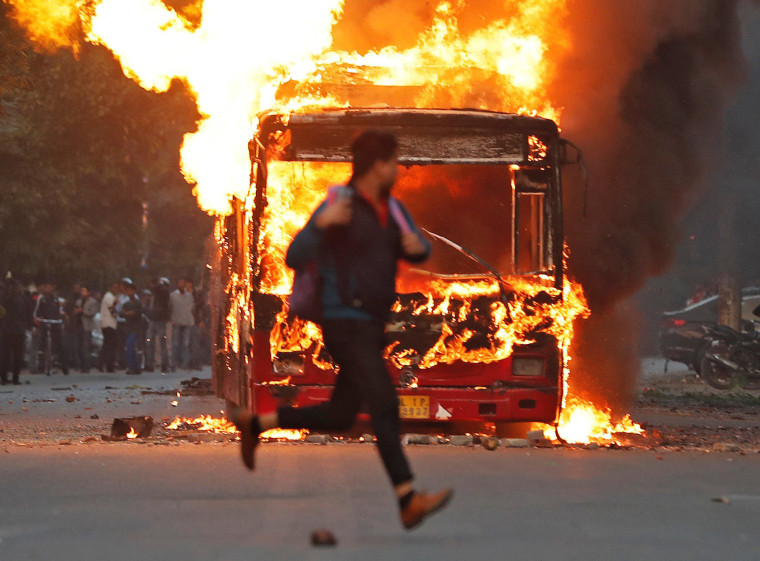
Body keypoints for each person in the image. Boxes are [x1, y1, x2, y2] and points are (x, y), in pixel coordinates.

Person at [231, 129, 452, 530]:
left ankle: (257, 423)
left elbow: (420, 247)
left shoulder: (393, 210)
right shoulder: (339, 203)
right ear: (378, 166)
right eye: (393, 164)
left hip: (372, 325)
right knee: (385, 403)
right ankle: (408, 498)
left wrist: (416, 248)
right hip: (343, 323)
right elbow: (294, 254)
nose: (398, 172)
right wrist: (321, 227)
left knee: (340, 414)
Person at [33, 282, 68, 375]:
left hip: (55, 324)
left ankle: (63, 364)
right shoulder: (42, 299)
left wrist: (60, 319)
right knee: (42, 343)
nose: (49, 289)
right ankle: (41, 365)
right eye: (47, 287)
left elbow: (59, 312)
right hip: (45, 324)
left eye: (50, 287)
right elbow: (37, 312)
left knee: (60, 344)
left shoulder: (56, 300)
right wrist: (40, 320)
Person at [1, 279, 28, 385]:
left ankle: (8, 378)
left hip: (12, 330)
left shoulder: (6, 300)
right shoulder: (15, 300)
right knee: (11, 355)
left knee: (8, 355)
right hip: (12, 330)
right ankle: (12, 378)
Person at [145, 277, 170, 373]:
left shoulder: (164, 294)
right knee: (149, 341)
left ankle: (164, 364)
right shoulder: (153, 296)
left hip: (160, 320)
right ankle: (150, 364)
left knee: (162, 342)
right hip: (153, 320)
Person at [169, 278, 195, 370]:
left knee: (185, 344)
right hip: (176, 321)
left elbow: (192, 308)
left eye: (183, 283)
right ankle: (174, 363)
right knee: (175, 343)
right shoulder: (173, 295)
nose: (182, 285)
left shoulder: (189, 296)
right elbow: (170, 307)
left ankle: (185, 364)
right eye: (180, 283)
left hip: (187, 322)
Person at [120, 283, 143, 374]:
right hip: (128, 328)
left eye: (130, 290)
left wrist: (128, 313)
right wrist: (128, 313)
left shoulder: (137, 303)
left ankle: (133, 367)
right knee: (130, 348)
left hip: (136, 328)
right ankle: (134, 367)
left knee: (130, 346)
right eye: (127, 291)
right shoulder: (126, 304)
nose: (129, 292)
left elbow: (137, 313)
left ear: (134, 291)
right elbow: (122, 313)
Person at [98, 281, 120, 372]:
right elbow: (112, 307)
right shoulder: (109, 297)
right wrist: (116, 302)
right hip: (109, 324)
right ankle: (107, 365)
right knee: (109, 345)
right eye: (114, 287)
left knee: (108, 345)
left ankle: (104, 364)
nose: (116, 289)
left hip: (108, 323)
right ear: (110, 288)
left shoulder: (108, 297)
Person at [77, 286, 99, 373]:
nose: (82, 293)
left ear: (89, 292)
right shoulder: (78, 301)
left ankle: (86, 366)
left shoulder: (93, 302)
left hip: (87, 326)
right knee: (79, 346)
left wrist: (82, 311)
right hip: (78, 326)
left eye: (84, 291)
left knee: (86, 347)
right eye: (82, 291)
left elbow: (92, 313)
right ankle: (80, 365)